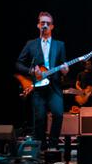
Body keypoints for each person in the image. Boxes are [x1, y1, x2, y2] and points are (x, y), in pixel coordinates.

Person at [16, 12, 69, 150]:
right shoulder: (31, 44)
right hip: (38, 87)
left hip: (54, 86)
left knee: (58, 114)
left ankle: (52, 146)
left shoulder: (60, 45)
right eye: (42, 23)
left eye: (47, 23)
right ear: (38, 25)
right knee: (39, 119)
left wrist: (65, 70)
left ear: (52, 26)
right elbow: (19, 63)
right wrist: (31, 71)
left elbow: (63, 66)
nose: (44, 25)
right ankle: (41, 148)